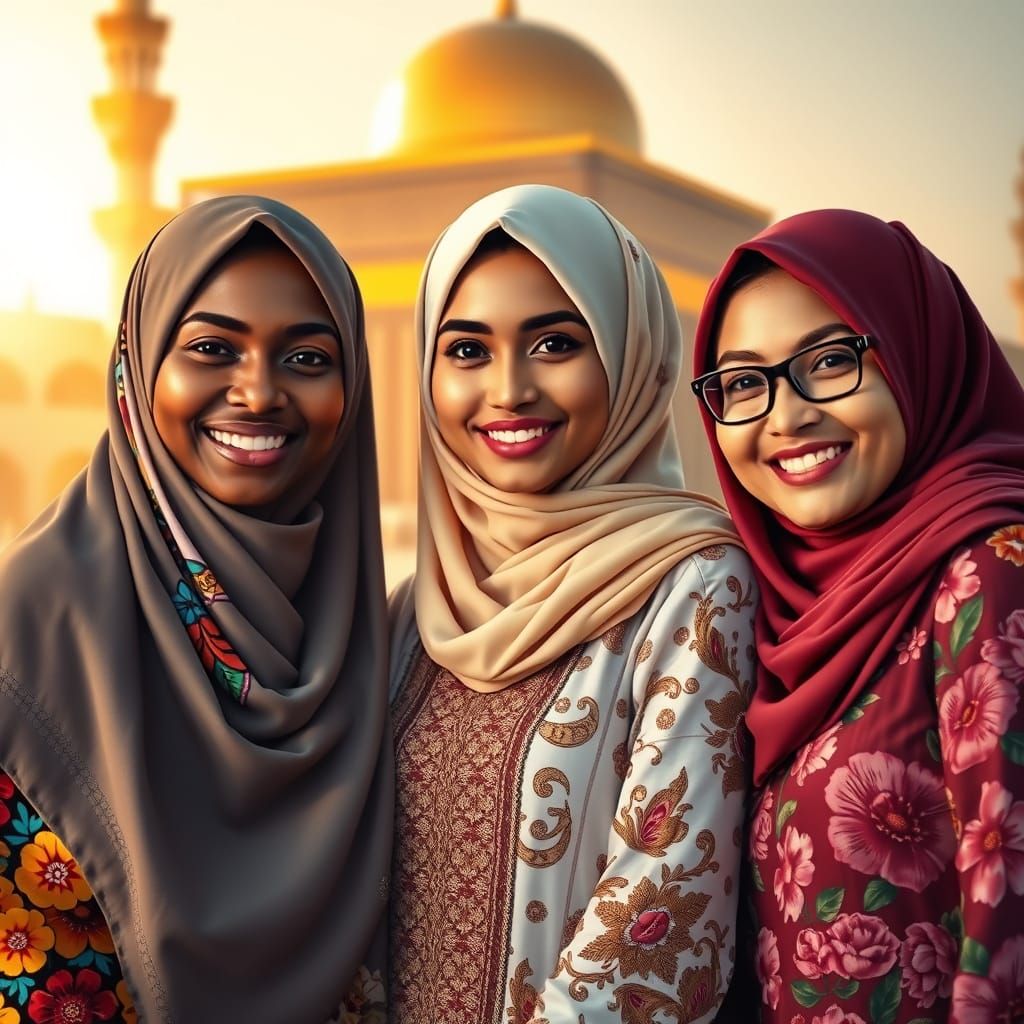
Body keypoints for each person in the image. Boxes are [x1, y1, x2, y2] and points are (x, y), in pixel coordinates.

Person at [0, 196, 391, 1023]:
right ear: (138, 370)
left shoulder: (376, 634)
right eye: (212, 348)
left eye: (308, 359)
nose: (258, 394)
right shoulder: (29, 624)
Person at [388, 183, 756, 1023]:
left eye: (555, 342)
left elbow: (660, 918)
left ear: (632, 356)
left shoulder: (694, 587)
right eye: (467, 350)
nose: (509, 389)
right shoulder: (418, 610)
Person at [690, 208, 1024, 1022]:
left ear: (918, 351)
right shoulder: (774, 608)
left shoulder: (990, 568)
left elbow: (1010, 914)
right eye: (743, 382)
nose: (785, 414)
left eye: (830, 360)